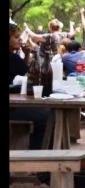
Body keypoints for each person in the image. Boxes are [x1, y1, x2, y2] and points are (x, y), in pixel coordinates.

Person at [9, 22, 52, 151]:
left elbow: (22, 73)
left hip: (14, 102)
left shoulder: (14, 56)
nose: (20, 39)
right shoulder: (12, 57)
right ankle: (38, 158)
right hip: (12, 107)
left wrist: (26, 54)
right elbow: (29, 75)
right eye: (16, 37)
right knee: (47, 116)